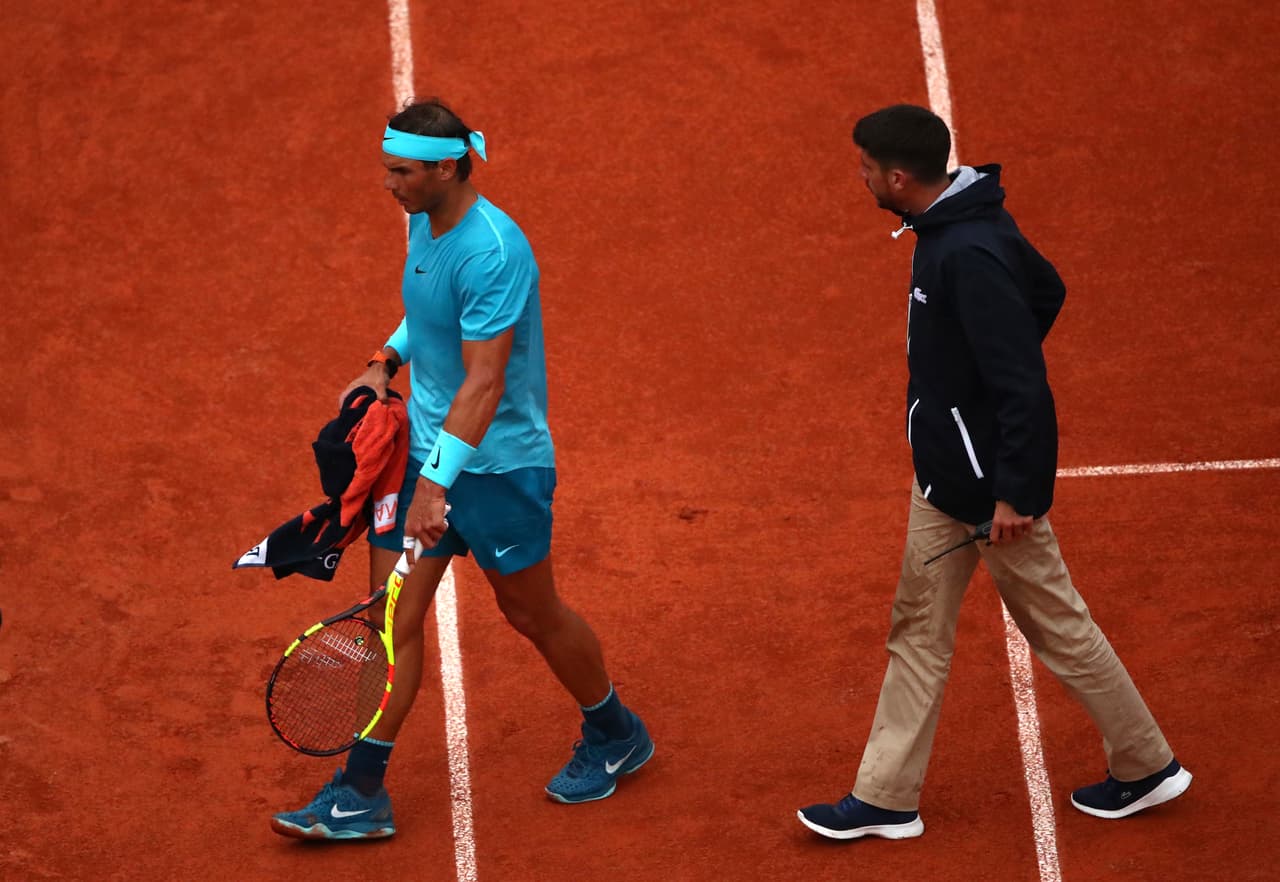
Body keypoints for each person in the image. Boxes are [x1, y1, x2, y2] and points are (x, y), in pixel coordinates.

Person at [797, 104, 1190, 841]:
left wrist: (1015, 491)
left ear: (899, 177)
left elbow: (1022, 386)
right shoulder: (951, 224)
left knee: (1058, 628)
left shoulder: (965, 252)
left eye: (865, 169)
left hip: (986, 496)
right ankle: (885, 794)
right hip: (946, 477)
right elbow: (1047, 290)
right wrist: (963, 395)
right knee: (917, 629)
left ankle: (1145, 765)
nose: (860, 177)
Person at [271, 98, 654, 841]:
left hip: (497, 469)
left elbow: (484, 382)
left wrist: (436, 487)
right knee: (392, 619)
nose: (389, 184)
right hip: (424, 452)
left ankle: (615, 732)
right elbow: (429, 312)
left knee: (530, 615)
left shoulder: (495, 252)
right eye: (388, 169)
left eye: (402, 172)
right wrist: (386, 360)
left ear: (446, 168)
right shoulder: (426, 217)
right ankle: (359, 792)